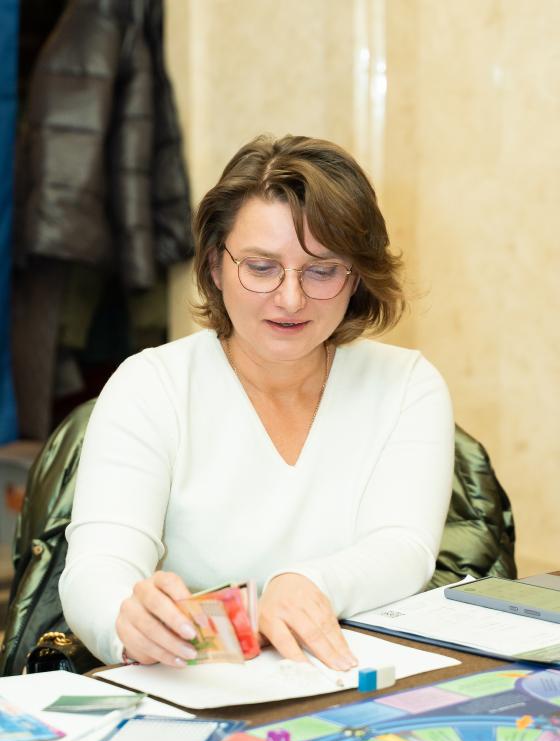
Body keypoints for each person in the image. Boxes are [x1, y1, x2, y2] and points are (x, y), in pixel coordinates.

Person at [59, 134, 454, 671]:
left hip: (350, 677)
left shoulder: (407, 385)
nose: (290, 299)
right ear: (215, 267)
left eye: (322, 270)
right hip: (196, 684)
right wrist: (126, 620)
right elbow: (98, 566)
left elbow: (404, 547)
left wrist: (308, 583)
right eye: (261, 267)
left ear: (356, 278)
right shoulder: (151, 386)